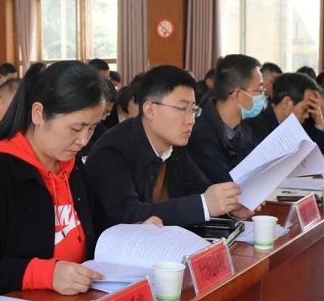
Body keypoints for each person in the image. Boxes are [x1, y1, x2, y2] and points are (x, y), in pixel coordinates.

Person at [0, 61, 104, 295]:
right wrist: (45, 274)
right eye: (76, 128)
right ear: (39, 114)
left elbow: (96, 226)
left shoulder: (73, 168)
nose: (83, 140)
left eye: (91, 129)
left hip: (76, 300)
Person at [86, 65, 250, 233]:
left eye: (193, 110)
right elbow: (127, 213)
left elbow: (200, 189)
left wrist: (230, 206)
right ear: (150, 110)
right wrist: (204, 205)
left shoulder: (174, 146)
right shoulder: (112, 151)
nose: (191, 120)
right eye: (182, 109)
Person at [188, 54, 262, 184]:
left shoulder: (244, 129)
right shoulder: (200, 134)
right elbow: (225, 182)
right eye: (259, 90)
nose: (262, 96)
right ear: (238, 94)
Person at [244, 73, 324, 171]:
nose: (307, 115)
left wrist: (320, 124)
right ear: (286, 103)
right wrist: (316, 166)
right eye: (305, 108)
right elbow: (269, 171)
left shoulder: (301, 125)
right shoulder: (252, 129)